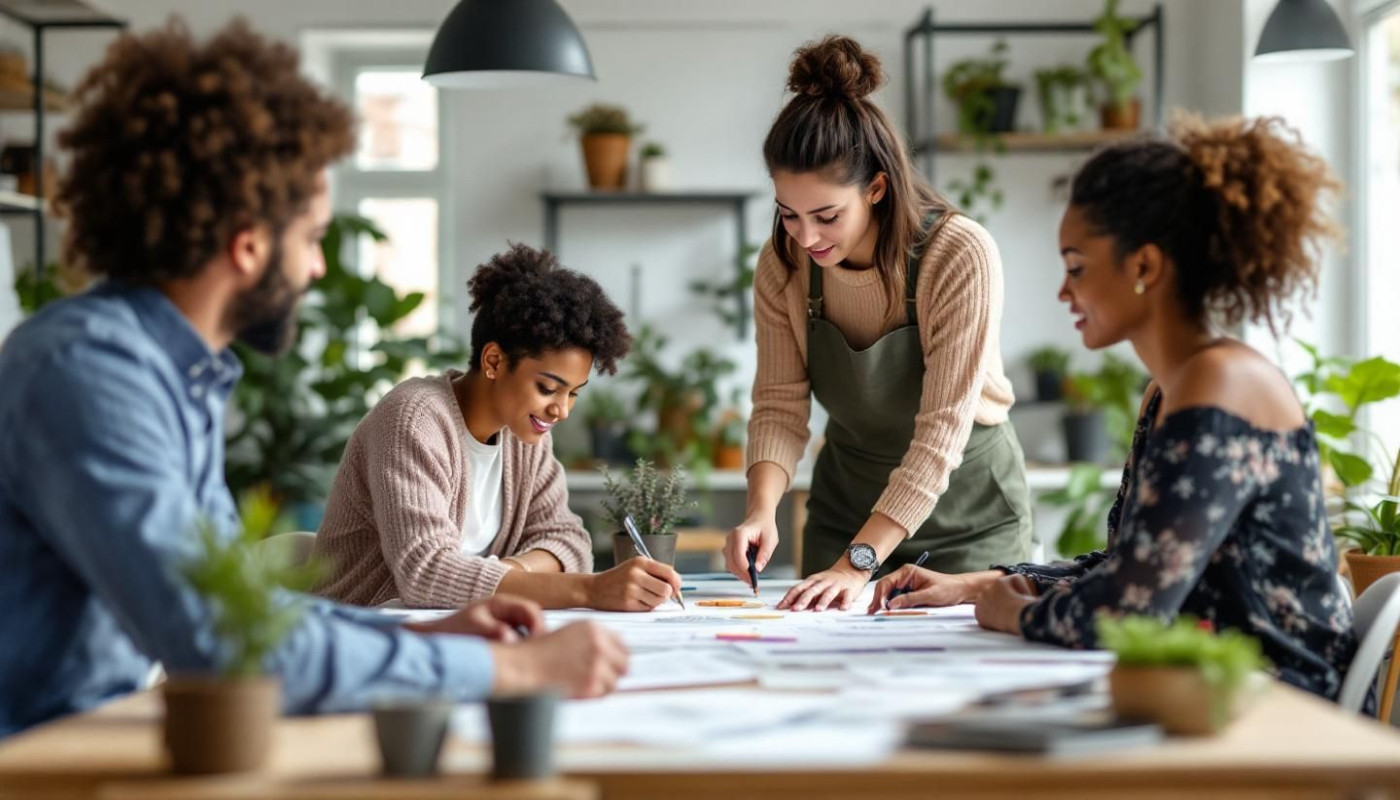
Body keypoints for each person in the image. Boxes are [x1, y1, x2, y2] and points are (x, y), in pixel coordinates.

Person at [0, 18, 627, 739]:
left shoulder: (171, 374)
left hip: (105, 736)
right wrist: (511, 671)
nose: (318, 268)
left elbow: (241, 610)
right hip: (44, 757)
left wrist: (421, 640)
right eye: (310, 239)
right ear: (248, 244)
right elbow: (224, 643)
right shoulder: (89, 374)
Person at [871, 115, 1358, 702]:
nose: (1063, 291)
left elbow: (1134, 609)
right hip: (1206, 686)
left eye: (1076, 267)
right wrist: (976, 586)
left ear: (1144, 267)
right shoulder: (1173, 387)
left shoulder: (1220, 382)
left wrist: (1015, 615)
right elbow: (1129, 568)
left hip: (1277, 707)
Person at [724, 35, 1032, 611]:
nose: (806, 236)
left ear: (877, 189)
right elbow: (779, 403)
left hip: (967, 517)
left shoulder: (958, 254)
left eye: (827, 216)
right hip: (845, 508)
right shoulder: (785, 262)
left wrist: (856, 564)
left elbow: (942, 432)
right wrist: (760, 511)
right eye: (788, 214)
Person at [313, 244, 684, 611]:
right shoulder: (413, 420)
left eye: (573, 393)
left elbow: (569, 541)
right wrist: (587, 591)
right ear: (494, 360)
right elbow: (426, 573)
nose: (561, 410)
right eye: (548, 388)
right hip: (359, 631)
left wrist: (507, 574)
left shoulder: (527, 436)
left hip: (452, 632)